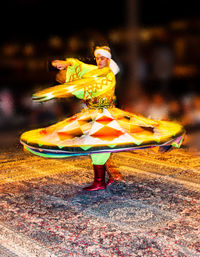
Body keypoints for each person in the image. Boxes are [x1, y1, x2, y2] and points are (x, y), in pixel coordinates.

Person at [20, 46, 185, 191]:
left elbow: (83, 83)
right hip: (93, 113)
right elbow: (83, 68)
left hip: (105, 114)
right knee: (96, 145)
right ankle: (112, 175)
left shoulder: (106, 74)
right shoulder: (97, 71)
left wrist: (56, 91)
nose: (99, 60)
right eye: (97, 58)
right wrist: (69, 64)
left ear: (108, 60)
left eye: (102, 58)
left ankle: (100, 182)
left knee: (101, 144)